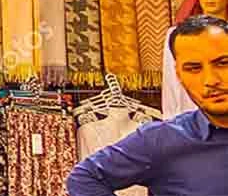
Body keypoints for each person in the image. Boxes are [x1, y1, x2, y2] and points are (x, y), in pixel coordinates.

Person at [66, 14, 228, 196]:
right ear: (179, 75)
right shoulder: (163, 140)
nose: (211, 80)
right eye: (193, 68)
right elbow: (85, 177)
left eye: (223, 63)